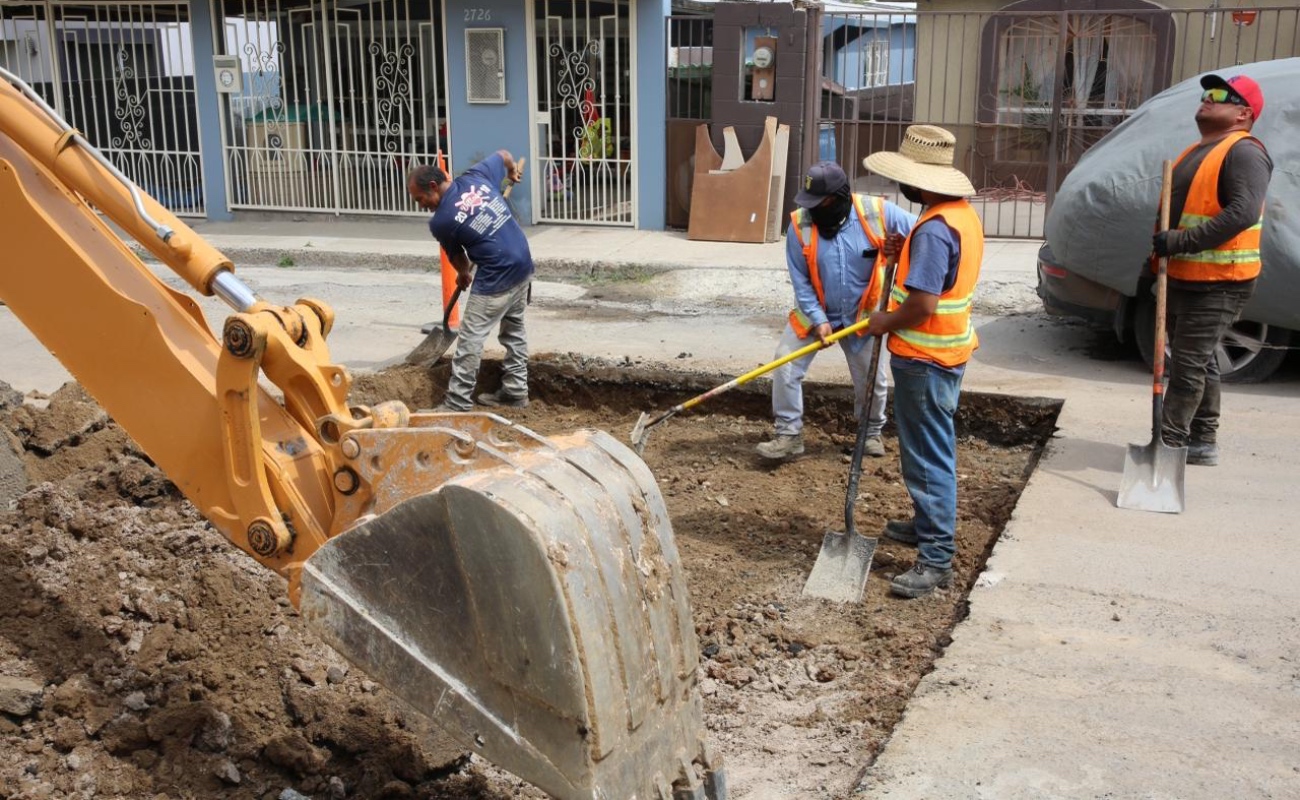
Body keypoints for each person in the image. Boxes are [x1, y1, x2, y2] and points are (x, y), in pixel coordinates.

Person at [860, 125, 984, 600]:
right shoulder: (957, 216)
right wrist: (901, 252)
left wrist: (882, 321)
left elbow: (923, 305)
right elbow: (939, 273)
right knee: (930, 448)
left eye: (905, 178)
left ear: (921, 180)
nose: (900, 187)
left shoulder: (933, 229)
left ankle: (936, 558)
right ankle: (925, 521)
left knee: (927, 456)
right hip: (946, 354)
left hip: (925, 357)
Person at [755, 161, 917, 463]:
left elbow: (923, 237)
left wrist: (903, 247)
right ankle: (789, 435)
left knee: (873, 380)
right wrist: (818, 321)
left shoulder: (878, 213)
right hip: (815, 311)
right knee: (785, 365)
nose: (812, 210)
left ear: (840, 197)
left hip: (864, 314)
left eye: (820, 203)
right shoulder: (799, 225)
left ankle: (869, 433)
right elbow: (800, 281)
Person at [1150, 73, 1272, 467]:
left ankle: (1170, 444)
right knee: (1199, 361)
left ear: (1243, 113)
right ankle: (1202, 442)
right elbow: (1178, 218)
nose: (1207, 99)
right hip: (1188, 277)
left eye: (1220, 95)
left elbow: (1243, 212)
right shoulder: (1198, 150)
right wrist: (1154, 262)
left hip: (1221, 282)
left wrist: (1180, 244)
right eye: (1206, 93)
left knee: (1186, 364)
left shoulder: (1245, 153)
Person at [407, 150, 533, 412]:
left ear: (433, 186)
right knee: (514, 330)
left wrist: (463, 273)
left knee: (469, 340)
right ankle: (516, 391)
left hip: (498, 272)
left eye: (420, 199)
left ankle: (457, 402)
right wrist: (510, 172)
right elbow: (504, 155)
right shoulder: (477, 176)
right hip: (523, 263)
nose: (421, 205)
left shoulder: (442, 220)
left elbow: (457, 256)